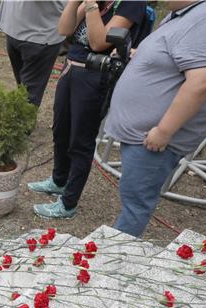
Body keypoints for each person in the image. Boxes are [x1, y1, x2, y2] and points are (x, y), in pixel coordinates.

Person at [105, 0, 206, 237]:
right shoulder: (186, 13)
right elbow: (175, 54)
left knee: (136, 204)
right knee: (132, 196)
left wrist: (164, 131)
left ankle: (116, 256)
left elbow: (202, 82)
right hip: (144, 134)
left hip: (151, 139)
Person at [29, 0, 145, 219]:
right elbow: (64, 30)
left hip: (96, 77)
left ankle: (68, 203)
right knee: (60, 130)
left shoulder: (131, 3)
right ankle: (59, 180)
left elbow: (98, 42)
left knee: (80, 141)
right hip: (71, 69)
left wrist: (91, 6)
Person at [0, 0, 67, 107]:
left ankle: (21, 120)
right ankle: (20, 119)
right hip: (24, 30)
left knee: (27, 93)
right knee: (25, 92)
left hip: (34, 33)